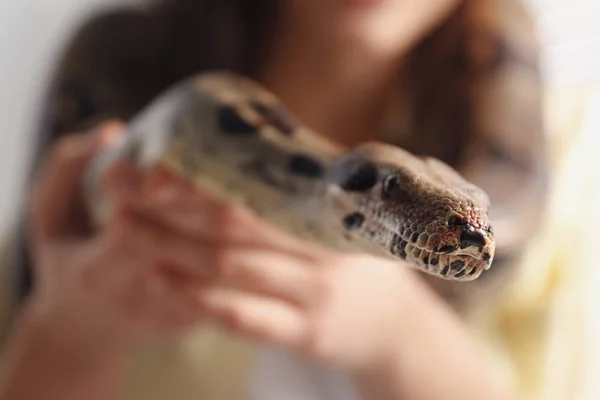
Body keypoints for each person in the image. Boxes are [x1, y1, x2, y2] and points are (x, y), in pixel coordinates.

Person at [0, 0, 548, 399]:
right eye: (392, 192)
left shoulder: (571, 156)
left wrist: (398, 333)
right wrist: (70, 331)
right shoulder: (122, 58)